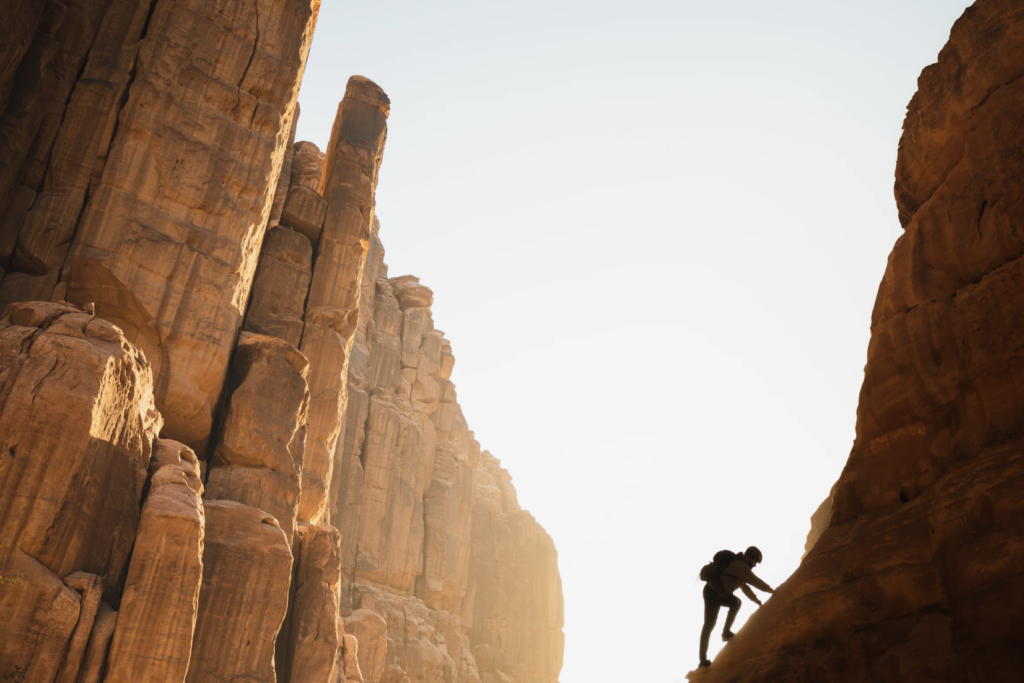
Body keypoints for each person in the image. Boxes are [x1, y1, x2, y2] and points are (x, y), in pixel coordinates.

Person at [698, 546, 774, 668]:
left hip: (720, 594)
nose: (754, 565)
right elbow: (755, 581)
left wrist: (758, 602)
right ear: (749, 558)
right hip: (712, 592)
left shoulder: (740, 569)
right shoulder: (740, 566)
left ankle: (726, 632)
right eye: (754, 562)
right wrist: (772, 591)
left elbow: (746, 588)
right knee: (709, 624)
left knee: (736, 602)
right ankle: (703, 660)